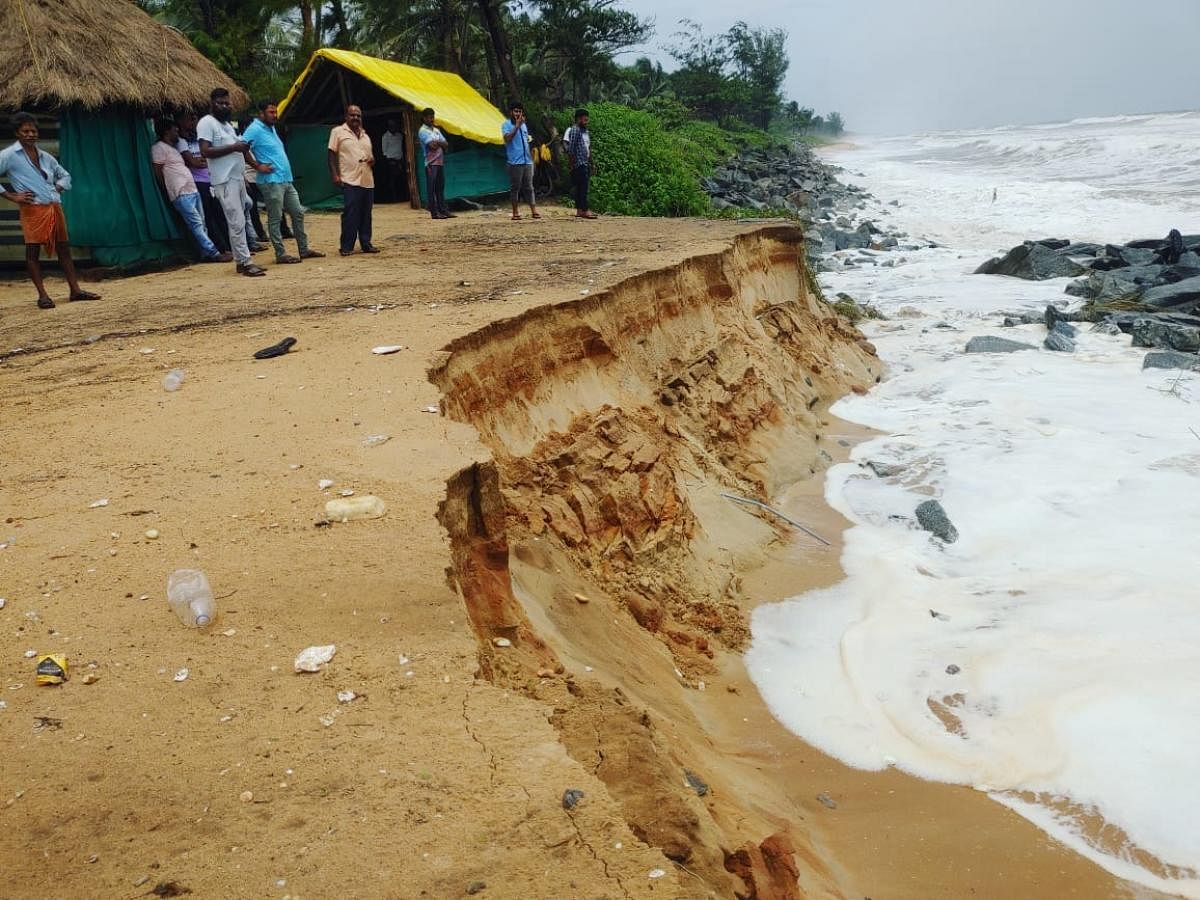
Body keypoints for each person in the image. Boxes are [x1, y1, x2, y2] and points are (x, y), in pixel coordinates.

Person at [0, 112, 101, 309]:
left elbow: (65, 175)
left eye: (33, 130)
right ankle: (43, 296)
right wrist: (12, 196)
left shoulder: (45, 156)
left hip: (54, 207)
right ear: (17, 133)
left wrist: (59, 186)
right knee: (32, 252)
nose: (30, 134)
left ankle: (75, 290)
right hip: (33, 209)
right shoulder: (9, 156)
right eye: (25, 131)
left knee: (63, 248)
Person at [199, 88, 273, 276]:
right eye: (220, 103)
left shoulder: (227, 126)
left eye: (227, 102)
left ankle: (242, 261)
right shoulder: (207, 123)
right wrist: (234, 147)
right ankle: (245, 263)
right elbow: (205, 151)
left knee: (241, 219)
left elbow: (241, 149)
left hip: (237, 178)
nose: (225, 106)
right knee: (236, 221)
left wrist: (253, 165)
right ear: (212, 104)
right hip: (224, 181)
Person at [243, 100, 324, 265]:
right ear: (261, 113)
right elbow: (242, 147)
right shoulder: (254, 129)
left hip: (285, 179)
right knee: (275, 217)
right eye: (271, 112)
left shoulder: (271, 128)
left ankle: (304, 249)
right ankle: (280, 254)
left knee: (298, 213)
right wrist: (257, 166)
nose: (275, 115)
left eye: (275, 112)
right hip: (271, 180)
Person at [150, 120, 230, 263]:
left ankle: (205, 254)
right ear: (166, 132)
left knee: (202, 223)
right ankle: (214, 253)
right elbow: (158, 171)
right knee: (196, 224)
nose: (177, 133)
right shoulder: (158, 148)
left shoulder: (173, 148)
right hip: (180, 192)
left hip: (191, 189)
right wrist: (167, 188)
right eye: (175, 130)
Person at [327, 105, 379, 255]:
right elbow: (331, 155)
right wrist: (335, 175)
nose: (355, 118)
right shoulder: (337, 132)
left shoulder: (365, 135)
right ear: (346, 116)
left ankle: (366, 243)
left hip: (367, 180)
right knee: (350, 213)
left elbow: (372, 157)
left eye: (358, 115)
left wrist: (372, 160)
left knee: (366, 214)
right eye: (352, 115)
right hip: (350, 179)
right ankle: (346, 246)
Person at [175, 110, 229, 253]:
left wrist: (204, 160)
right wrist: (203, 160)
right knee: (209, 217)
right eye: (189, 120)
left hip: (210, 180)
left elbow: (205, 159)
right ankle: (221, 248)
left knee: (220, 214)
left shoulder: (198, 139)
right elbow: (195, 162)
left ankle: (229, 245)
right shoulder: (181, 142)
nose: (193, 123)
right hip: (198, 182)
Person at [501, 101, 539, 221]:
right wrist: (516, 125)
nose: (518, 113)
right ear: (511, 112)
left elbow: (526, 140)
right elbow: (507, 138)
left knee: (529, 187)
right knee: (515, 187)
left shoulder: (524, 125)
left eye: (520, 111)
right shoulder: (506, 124)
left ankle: (534, 211)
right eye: (516, 111)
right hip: (515, 162)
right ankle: (515, 212)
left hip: (527, 160)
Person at [418, 108, 453, 220]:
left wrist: (438, 142)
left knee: (440, 187)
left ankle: (443, 210)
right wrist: (440, 143)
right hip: (430, 163)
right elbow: (432, 146)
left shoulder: (436, 130)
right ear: (424, 118)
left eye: (432, 117)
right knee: (431, 188)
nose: (432, 119)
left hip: (439, 162)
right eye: (429, 117)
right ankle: (434, 213)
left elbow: (446, 144)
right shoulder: (422, 131)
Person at [564, 108, 596, 219]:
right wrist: (571, 163)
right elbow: (571, 149)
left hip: (584, 162)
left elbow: (588, 148)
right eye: (584, 118)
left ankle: (579, 210)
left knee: (580, 187)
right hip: (578, 163)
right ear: (578, 118)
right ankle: (585, 210)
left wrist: (592, 163)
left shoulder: (585, 132)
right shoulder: (575, 130)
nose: (586, 120)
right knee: (583, 187)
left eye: (587, 118)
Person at [382, 118, 407, 203]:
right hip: (391, 162)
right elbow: (384, 152)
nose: (393, 127)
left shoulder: (399, 136)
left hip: (400, 160)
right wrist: (390, 161)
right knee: (392, 181)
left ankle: (402, 198)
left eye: (394, 125)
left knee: (401, 180)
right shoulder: (385, 137)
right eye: (391, 125)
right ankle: (394, 199)